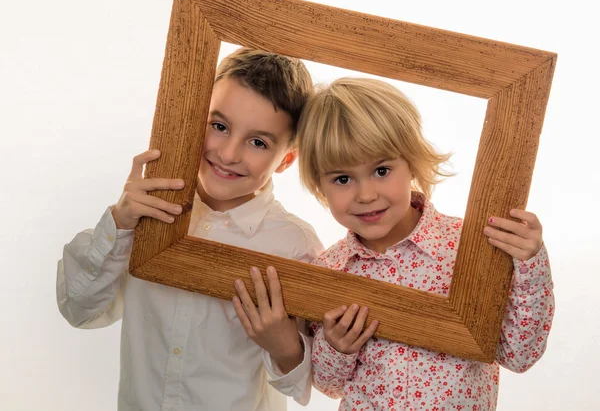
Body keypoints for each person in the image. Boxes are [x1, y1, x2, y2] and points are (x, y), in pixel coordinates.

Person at [56, 48, 324, 411]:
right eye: (219, 126)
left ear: (286, 160)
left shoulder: (295, 245)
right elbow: (79, 309)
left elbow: (307, 382)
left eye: (258, 142)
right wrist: (119, 221)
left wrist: (283, 345)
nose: (229, 154)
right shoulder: (145, 212)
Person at [296, 77, 555, 410]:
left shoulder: (470, 248)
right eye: (343, 179)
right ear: (320, 187)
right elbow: (328, 385)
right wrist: (336, 347)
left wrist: (530, 262)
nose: (366, 194)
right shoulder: (329, 271)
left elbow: (518, 355)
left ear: (411, 163)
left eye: (382, 170)